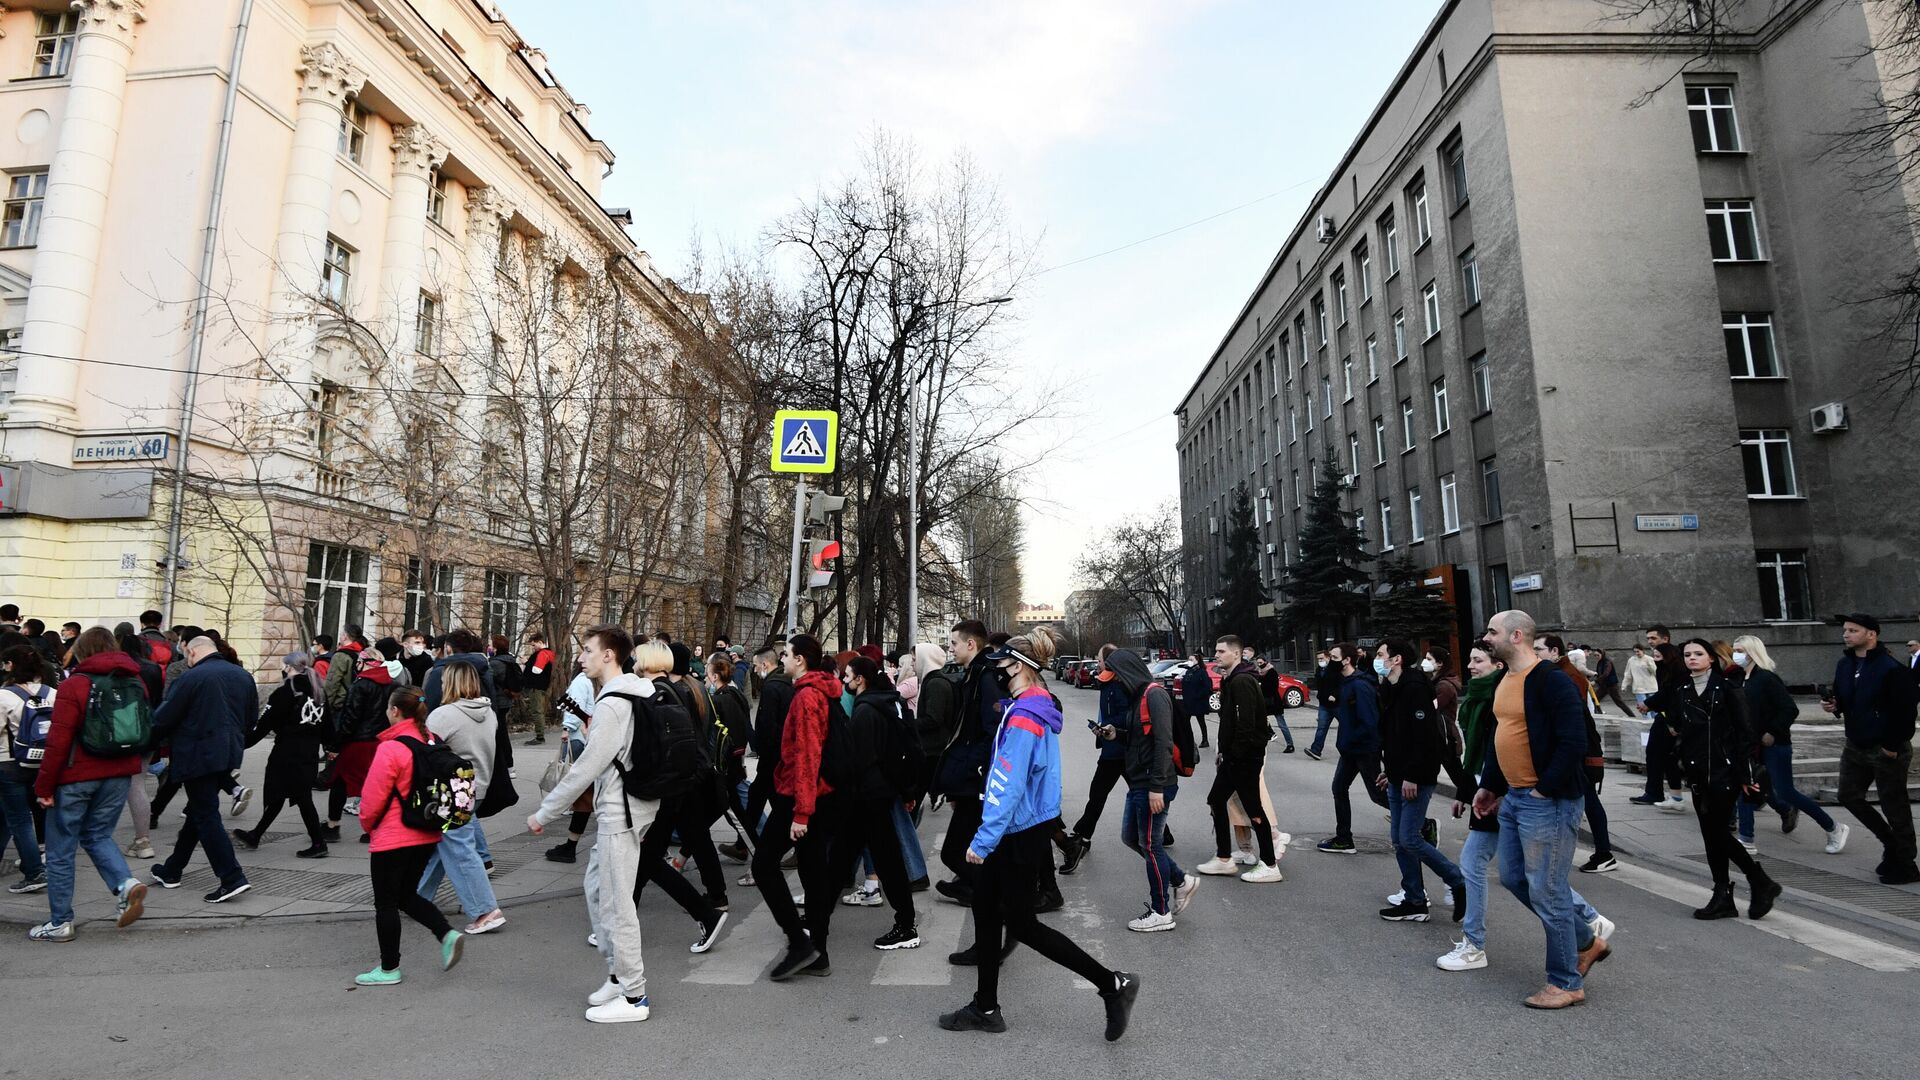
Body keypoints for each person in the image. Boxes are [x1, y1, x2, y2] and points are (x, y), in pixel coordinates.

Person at [937, 627, 1140, 1040]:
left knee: (1023, 925)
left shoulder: (1026, 714)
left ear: (1018, 665)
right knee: (987, 910)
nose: (998, 669)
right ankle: (985, 1007)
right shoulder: (1032, 704)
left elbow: (1008, 783)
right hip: (1021, 828)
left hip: (1014, 832)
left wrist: (983, 840)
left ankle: (1111, 984)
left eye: (1003, 662)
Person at [1471, 610, 1613, 1009]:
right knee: (1515, 878)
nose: (1486, 637)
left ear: (1516, 636)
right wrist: (1490, 788)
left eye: (1492, 631)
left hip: (1547, 801)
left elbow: (1574, 742)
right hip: (1515, 797)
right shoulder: (1506, 679)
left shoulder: (1552, 681)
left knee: (1548, 891)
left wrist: (1544, 791)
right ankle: (1587, 942)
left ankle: (1566, 983)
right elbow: (1503, 736)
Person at [528, 626, 666, 1022]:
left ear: (609, 656)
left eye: (588, 651)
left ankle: (635, 996)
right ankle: (616, 975)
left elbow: (587, 766)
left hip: (620, 812)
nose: (581, 657)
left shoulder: (612, 703)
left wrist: (544, 812)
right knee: (596, 887)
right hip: (632, 806)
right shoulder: (636, 690)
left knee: (616, 903)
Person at [1640, 638, 1781, 919]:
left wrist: (1745, 773)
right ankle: (1730, 892)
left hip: (1724, 770)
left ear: (1711, 658)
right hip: (1695, 771)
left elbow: (1745, 733)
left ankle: (1753, 882)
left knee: (1716, 831)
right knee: (1710, 834)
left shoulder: (1727, 688)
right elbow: (1677, 724)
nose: (1692, 658)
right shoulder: (1682, 689)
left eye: (1698, 654)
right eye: (1687, 654)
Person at [29, 627, 148, 940]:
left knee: (60, 850)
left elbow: (57, 741)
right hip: (120, 772)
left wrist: (44, 788)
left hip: (75, 776)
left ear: (82, 651)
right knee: (97, 835)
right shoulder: (135, 681)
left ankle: (60, 922)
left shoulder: (75, 684)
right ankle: (125, 883)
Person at [354, 687, 463, 985]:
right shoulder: (429, 742)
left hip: (392, 836)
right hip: (426, 833)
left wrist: (367, 825)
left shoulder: (391, 748)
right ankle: (446, 933)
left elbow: (372, 799)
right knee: (406, 895)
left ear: (394, 711)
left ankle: (389, 969)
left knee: (386, 903)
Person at [753, 633, 844, 981]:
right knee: (812, 870)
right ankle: (817, 952)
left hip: (802, 796)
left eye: (787, 654)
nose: (783, 659)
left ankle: (799, 941)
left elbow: (807, 755)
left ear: (801, 660)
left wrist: (801, 812)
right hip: (819, 795)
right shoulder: (822, 689)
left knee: (764, 865)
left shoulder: (806, 696)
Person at [148, 635, 256, 903]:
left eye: (186, 653)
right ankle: (172, 869)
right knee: (199, 811)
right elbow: (251, 717)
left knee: (206, 815)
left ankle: (232, 877)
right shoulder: (242, 675)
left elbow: (164, 717)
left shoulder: (192, 677)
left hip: (196, 753)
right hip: (229, 751)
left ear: (192, 651)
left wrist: (146, 745)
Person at [827, 655, 921, 951]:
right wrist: (906, 791)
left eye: (849, 676)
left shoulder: (865, 711)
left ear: (861, 680)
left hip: (866, 797)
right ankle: (817, 920)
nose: (845, 681)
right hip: (879, 795)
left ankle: (906, 925)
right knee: (850, 860)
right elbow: (898, 751)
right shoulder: (889, 703)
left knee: (876, 861)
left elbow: (860, 759)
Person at [1099, 649, 1194, 932]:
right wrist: (1117, 734)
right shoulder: (1137, 697)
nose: (1113, 684)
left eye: (1114, 678)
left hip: (1154, 784)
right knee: (1131, 838)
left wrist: (1156, 788)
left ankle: (1160, 911)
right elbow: (1142, 737)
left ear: (1126, 673)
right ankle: (1180, 880)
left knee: (1151, 846)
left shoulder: (1154, 695)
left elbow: (1164, 743)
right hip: (1141, 780)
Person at [1823, 614, 1918, 884]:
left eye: (1853, 630)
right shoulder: (1845, 664)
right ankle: (1891, 844)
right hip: (1856, 744)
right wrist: (1835, 706)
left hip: (1886, 748)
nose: (1846, 635)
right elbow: (1846, 698)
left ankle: (1906, 863)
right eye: (1845, 630)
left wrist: (1890, 747)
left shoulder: (1891, 668)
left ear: (1871, 634)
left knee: (1895, 807)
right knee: (1848, 796)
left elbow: (1906, 710)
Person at [1373, 639, 1463, 921]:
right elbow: (1396, 737)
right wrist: (1391, 770)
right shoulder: (1391, 687)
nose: (1377, 659)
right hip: (1399, 775)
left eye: (1380, 655)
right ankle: (1414, 900)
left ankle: (1458, 880)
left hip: (1417, 777)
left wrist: (1411, 774)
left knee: (1410, 838)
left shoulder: (1416, 688)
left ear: (1396, 659)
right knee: (1399, 841)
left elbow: (1423, 738)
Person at [1734, 635, 1849, 856]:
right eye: (1735, 649)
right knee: (1746, 787)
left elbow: (1789, 709)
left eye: (1740, 650)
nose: (1736, 654)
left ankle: (1833, 827)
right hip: (1751, 744)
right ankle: (1746, 838)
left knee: (1786, 791)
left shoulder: (1766, 678)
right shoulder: (1742, 679)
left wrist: (1772, 732)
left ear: (1752, 652)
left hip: (1774, 744)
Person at [417, 663, 506, 935]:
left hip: (449, 789)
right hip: (477, 786)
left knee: (458, 849)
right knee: (445, 845)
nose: (441, 685)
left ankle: (485, 910)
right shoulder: (488, 712)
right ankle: (417, 897)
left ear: (451, 683)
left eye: (444, 681)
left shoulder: (443, 716)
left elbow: (424, 753)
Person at [231, 653, 330, 859]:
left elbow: (263, 725)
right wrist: (331, 747)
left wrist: (240, 743)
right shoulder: (319, 692)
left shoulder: (284, 693)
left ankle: (319, 842)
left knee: (297, 797)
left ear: (288, 668)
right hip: (309, 753)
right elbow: (328, 726)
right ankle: (256, 835)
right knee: (285, 795)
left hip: (286, 754)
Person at [1535, 635, 1616, 875]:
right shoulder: (1555, 673)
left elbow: (1579, 720)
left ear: (1553, 651)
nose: (1534, 653)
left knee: (1588, 801)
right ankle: (1602, 852)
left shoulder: (1565, 676)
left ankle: (1604, 853)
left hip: (1581, 752)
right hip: (1577, 750)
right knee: (1586, 802)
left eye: (1538, 649)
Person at [1203, 635, 1281, 882]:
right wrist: (1223, 752)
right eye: (1216, 651)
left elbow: (1246, 723)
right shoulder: (1232, 679)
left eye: (1221, 651)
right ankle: (1224, 859)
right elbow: (1229, 721)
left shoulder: (1243, 681)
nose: (1216, 655)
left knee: (1253, 808)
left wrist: (1235, 754)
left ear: (1236, 654)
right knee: (1216, 800)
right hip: (1234, 756)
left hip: (1245, 757)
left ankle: (1269, 864)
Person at [931, 620, 998, 906]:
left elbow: (989, 728)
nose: (950, 648)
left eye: (954, 643)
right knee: (962, 845)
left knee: (954, 850)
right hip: (970, 773)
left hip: (975, 775)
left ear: (971, 644)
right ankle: (974, 888)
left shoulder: (985, 676)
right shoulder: (975, 673)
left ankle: (982, 891)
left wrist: (975, 767)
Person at [1058, 644, 1128, 875]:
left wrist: (1109, 727)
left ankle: (1082, 837)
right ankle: (1164, 832)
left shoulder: (1117, 687)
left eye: (1099, 659)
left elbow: (1126, 716)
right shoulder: (1109, 684)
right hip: (1115, 747)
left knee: (1097, 794)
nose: (1097, 663)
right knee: (1139, 790)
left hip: (1117, 750)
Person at [1318, 642, 1388, 854]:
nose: (1330, 662)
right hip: (1350, 750)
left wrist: (1355, 741)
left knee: (1378, 795)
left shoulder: (1360, 685)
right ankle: (1343, 839)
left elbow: (1369, 721)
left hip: (1364, 749)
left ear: (1347, 660)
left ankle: (1423, 824)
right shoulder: (1344, 682)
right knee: (1339, 788)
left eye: (1335, 658)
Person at [326, 646, 400, 844]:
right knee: (378, 786)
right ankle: (376, 827)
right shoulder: (392, 684)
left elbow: (350, 719)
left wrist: (336, 745)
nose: (356, 665)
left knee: (340, 782)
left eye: (359, 661)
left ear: (366, 663)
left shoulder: (361, 685)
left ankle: (333, 826)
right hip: (381, 742)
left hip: (357, 743)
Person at [1, 644, 51, 893]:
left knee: (19, 818)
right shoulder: (51, 692)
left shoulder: (4, 695)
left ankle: (33, 871)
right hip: (43, 762)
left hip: (10, 763)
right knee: (10, 815)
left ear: (10, 666)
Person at [422, 628, 496, 713]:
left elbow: (431, 701)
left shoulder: (440, 671)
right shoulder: (482, 667)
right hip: (480, 717)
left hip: (446, 720)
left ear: (448, 648)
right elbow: (492, 697)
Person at [1254, 656, 1296, 753]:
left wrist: (1261, 685)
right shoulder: (1259, 673)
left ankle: (1290, 744)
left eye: (1261, 663)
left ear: (1265, 662)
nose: (1260, 665)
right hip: (1264, 701)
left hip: (1274, 701)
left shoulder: (1271, 672)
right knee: (1260, 718)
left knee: (1281, 724)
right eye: (1258, 663)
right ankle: (1270, 733)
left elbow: (1272, 687)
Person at [1305, 647, 1340, 760]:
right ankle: (1316, 750)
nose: (1320, 661)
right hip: (1324, 704)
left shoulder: (1336, 669)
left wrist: (1335, 695)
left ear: (1328, 657)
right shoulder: (1319, 670)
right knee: (1321, 727)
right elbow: (1318, 684)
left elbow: (1341, 683)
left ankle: (1352, 748)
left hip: (1337, 704)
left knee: (1346, 726)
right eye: (1318, 659)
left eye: (1322, 658)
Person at [522, 632, 556, 745]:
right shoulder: (548, 653)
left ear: (540, 642)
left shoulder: (543, 653)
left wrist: (527, 663)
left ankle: (539, 736)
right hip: (539, 686)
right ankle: (539, 735)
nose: (533, 648)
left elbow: (537, 670)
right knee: (538, 711)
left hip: (537, 686)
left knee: (537, 711)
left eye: (533, 645)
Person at [1180, 652, 1212, 750]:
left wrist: (1197, 695)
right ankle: (1187, 739)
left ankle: (1205, 740)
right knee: (1185, 721)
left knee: (1201, 721)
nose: (1189, 662)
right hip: (1188, 701)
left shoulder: (1202, 672)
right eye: (1189, 660)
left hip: (1198, 701)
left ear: (1197, 661)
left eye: (1192, 660)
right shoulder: (1188, 671)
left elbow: (1207, 687)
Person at [1591, 648, 1632, 717]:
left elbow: (1606, 674)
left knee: (1619, 702)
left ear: (1602, 654)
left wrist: (1595, 681)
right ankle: (1599, 714)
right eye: (1595, 655)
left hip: (1611, 686)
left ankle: (1632, 716)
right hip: (1603, 686)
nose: (1596, 657)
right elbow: (1599, 673)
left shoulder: (1607, 662)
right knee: (1595, 700)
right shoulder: (1600, 662)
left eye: (1597, 655)